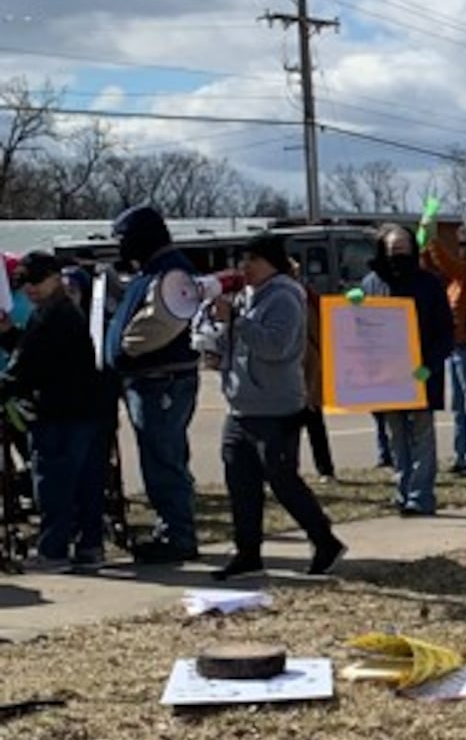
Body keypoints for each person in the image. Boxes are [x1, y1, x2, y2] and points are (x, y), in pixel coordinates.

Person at [210, 234, 345, 579]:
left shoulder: (285, 297)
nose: (245, 267)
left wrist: (237, 322)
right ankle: (247, 553)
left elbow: (276, 347)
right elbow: (240, 343)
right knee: (240, 482)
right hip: (241, 406)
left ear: (272, 262)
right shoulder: (246, 295)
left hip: (276, 408)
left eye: (252, 260)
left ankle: (324, 540)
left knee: (282, 480)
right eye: (243, 260)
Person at [0, 253, 111, 572]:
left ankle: (53, 551)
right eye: (23, 283)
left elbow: (26, 364)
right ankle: (90, 546)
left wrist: (7, 385)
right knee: (86, 484)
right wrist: (9, 335)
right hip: (86, 410)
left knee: (54, 485)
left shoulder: (50, 317)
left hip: (58, 412)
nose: (29, 288)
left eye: (36, 280)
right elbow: (35, 354)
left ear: (54, 277)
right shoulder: (65, 313)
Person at [104, 205, 202, 564]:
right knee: (163, 457)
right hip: (153, 381)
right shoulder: (153, 271)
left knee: (164, 459)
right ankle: (172, 530)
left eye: (123, 239)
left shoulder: (171, 273)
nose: (120, 247)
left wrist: (124, 350)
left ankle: (177, 536)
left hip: (161, 381)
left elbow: (162, 322)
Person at [361, 223, 455, 516]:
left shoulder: (429, 283)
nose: (397, 254)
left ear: (413, 249)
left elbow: (445, 334)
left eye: (403, 248)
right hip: (387, 378)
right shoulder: (371, 283)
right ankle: (402, 492)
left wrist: (428, 367)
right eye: (392, 249)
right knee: (396, 438)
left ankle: (421, 496)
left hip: (421, 374)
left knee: (422, 438)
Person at [420, 225, 466, 478]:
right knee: (459, 407)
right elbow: (432, 269)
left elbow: (446, 262)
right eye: (460, 247)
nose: (462, 251)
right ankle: (461, 455)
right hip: (455, 349)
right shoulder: (454, 281)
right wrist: (423, 248)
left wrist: (433, 239)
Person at [290, 259, 336, 482]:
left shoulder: (308, 298)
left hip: (310, 366)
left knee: (314, 421)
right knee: (289, 427)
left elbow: (321, 330)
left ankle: (325, 469)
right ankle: (289, 471)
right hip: (288, 371)